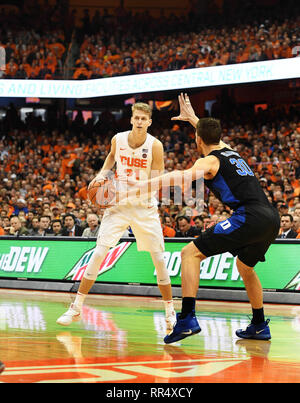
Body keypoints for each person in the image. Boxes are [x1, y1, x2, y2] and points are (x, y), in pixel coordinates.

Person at [128, 93, 280, 343]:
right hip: (270, 217)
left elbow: (181, 176)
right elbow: (210, 135)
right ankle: (259, 324)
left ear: (198, 139)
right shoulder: (231, 151)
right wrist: (194, 119)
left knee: (189, 254)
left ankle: (187, 319)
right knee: (245, 266)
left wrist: (144, 184)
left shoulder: (209, 160)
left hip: (249, 216)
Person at [56, 102, 176, 333]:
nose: (139, 121)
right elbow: (111, 159)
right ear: (131, 119)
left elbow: (157, 180)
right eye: (136, 118)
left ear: (149, 122)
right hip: (118, 204)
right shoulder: (118, 139)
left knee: (159, 259)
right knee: (99, 252)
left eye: (144, 119)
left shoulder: (155, 146)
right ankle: (76, 306)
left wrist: (131, 188)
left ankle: (170, 311)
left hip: (144, 206)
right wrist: (101, 176)